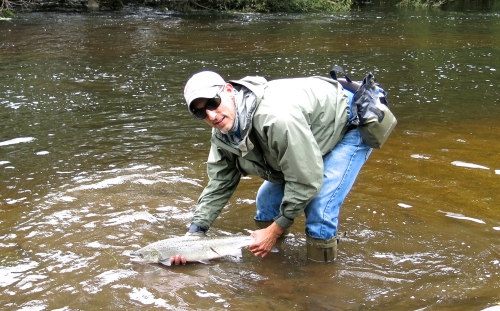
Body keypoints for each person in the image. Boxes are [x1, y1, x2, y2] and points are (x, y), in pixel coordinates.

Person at [170, 70, 372, 265]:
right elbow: (220, 183)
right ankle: (274, 259)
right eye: (200, 112)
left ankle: (321, 279)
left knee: (320, 208)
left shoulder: (277, 119)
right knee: (266, 201)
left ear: (229, 91)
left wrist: (275, 229)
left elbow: (307, 181)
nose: (212, 115)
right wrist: (195, 233)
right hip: (309, 129)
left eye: (213, 103)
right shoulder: (224, 135)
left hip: (351, 120)